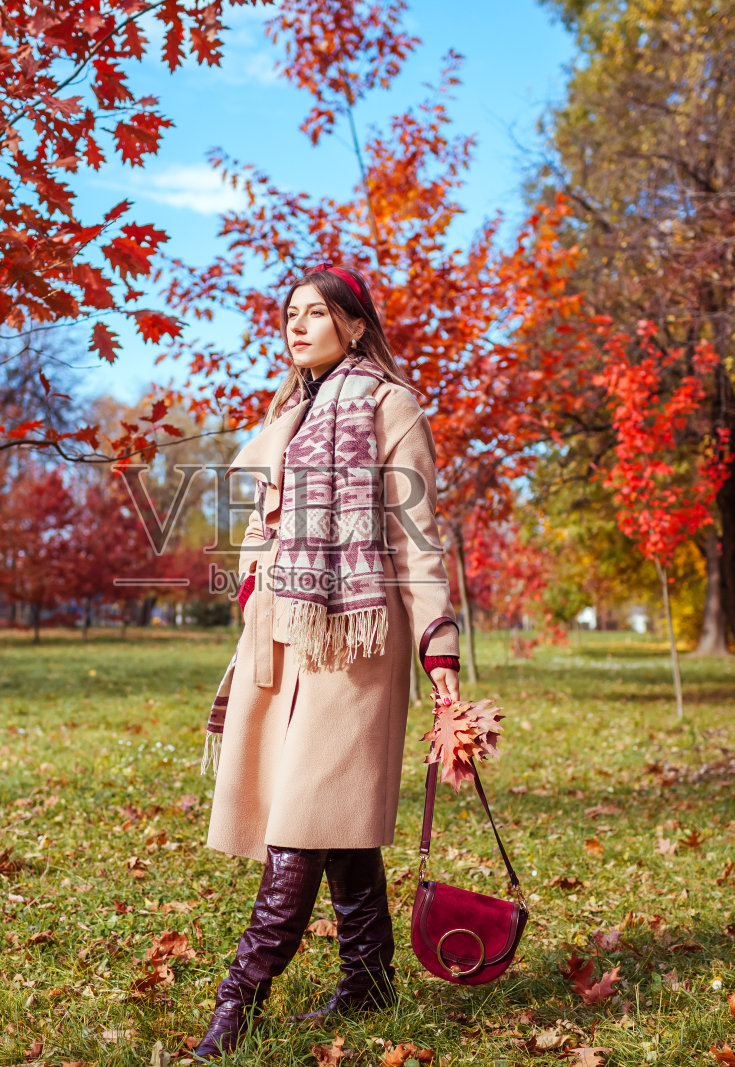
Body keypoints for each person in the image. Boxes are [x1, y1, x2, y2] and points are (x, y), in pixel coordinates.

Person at [192, 264, 462, 1059]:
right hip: (284, 633)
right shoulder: (289, 413)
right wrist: (254, 581)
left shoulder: (389, 405)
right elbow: (261, 520)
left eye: (315, 312)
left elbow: (418, 539)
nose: (297, 326)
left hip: (358, 643)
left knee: (302, 821)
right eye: (290, 314)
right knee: (336, 818)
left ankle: (238, 1003)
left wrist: (439, 647)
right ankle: (369, 980)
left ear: (354, 324)